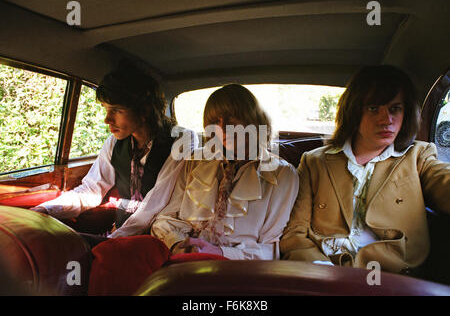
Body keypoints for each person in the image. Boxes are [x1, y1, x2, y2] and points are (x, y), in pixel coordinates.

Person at [88, 84, 299, 295]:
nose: (223, 128)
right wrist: (176, 243)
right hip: (180, 255)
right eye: (215, 122)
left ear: (253, 121)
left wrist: (219, 252)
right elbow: (165, 219)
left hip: (234, 268)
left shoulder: (282, 175)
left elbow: (270, 249)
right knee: (111, 254)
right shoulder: (194, 161)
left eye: (232, 118)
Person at [280, 65, 450, 275]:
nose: (386, 119)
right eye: (373, 108)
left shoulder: (418, 156)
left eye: (395, 109)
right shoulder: (315, 162)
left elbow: (443, 181)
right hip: (326, 270)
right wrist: (320, 269)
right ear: (353, 111)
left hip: (391, 272)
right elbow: (295, 234)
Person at [31, 60, 197, 239]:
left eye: (117, 110)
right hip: (119, 232)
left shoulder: (181, 140)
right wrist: (46, 210)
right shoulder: (114, 143)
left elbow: (155, 204)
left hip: (158, 238)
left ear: (144, 110)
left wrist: (111, 240)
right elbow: (91, 190)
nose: (107, 119)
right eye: (105, 109)